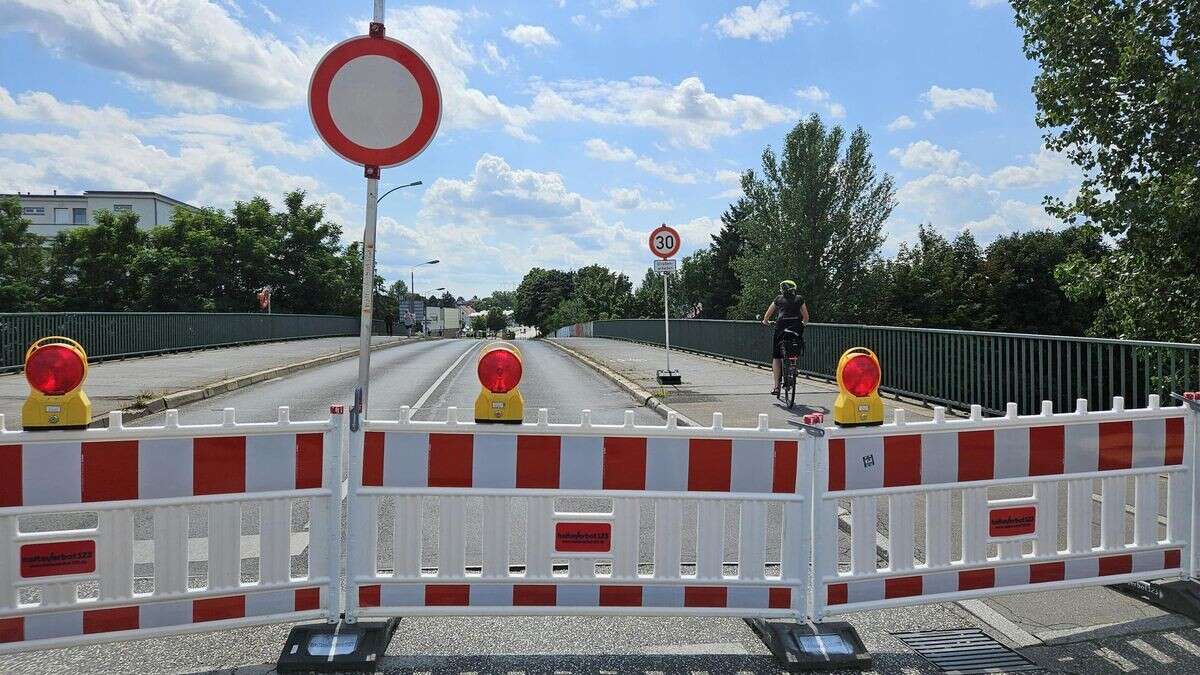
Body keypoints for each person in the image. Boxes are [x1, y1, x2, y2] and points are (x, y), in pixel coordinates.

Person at [761, 280, 809, 396]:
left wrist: (766, 321)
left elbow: (767, 316)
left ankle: (777, 387)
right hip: (796, 328)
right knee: (795, 345)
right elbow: (806, 316)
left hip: (781, 328)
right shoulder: (799, 299)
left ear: (782, 290)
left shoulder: (778, 299)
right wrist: (803, 324)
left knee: (777, 357)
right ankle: (793, 366)